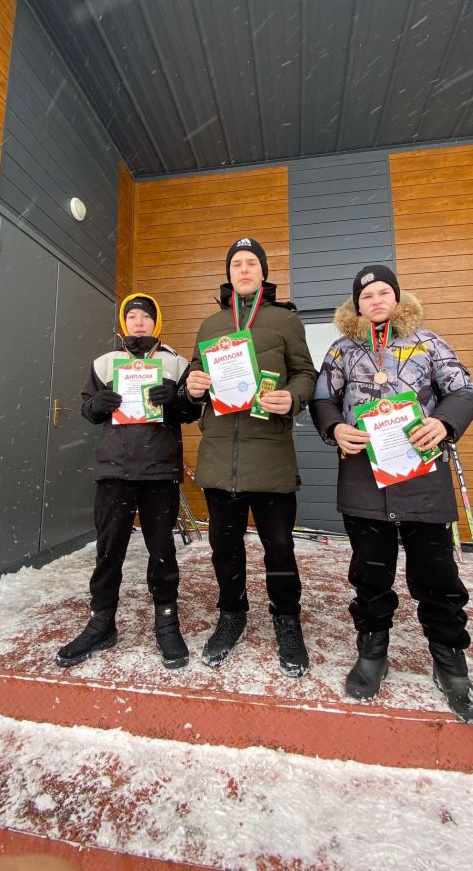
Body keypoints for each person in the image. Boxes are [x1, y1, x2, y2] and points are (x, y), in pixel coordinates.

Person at [310, 264, 473, 724]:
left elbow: (465, 390)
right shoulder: (341, 350)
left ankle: (450, 661)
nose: (375, 300)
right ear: (356, 305)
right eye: (365, 295)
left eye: (383, 292)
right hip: (364, 479)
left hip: (421, 477)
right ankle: (373, 651)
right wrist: (334, 427)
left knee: (437, 577)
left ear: (397, 298)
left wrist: (444, 422)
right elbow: (322, 399)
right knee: (370, 575)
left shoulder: (427, 342)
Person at [180, 237, 317, 678]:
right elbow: (192, 384)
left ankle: (286, 621)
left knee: (279, 547)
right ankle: (232, 615)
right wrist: (192, 387)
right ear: (229, 273)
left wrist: (291, 398)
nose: (244, 270)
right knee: (224, 547)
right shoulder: (209, 325)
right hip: (221, 456)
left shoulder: (284, 320)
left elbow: (306, 374)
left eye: (251, 263)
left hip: (271, 455)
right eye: (237, 264)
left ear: (262, 273)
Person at [56, 293, 200, 671]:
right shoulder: (105, 363)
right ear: (123, 323)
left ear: (156, 322)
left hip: (158, 470)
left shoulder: (175, 361)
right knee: (108, 551)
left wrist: (177, 399)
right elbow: (87, 408)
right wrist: (97, 405)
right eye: (132, 316)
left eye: (145, 317)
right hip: (114, 470)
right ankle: (102, 621)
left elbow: (191, 410)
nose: (138, 322)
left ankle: (166, 620)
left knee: (162, 550)